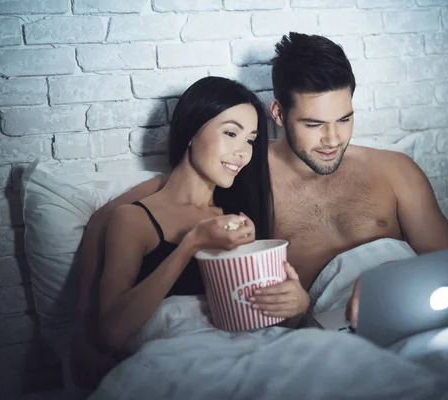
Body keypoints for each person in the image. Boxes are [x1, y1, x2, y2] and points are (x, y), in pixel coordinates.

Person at [71, 32, 448, 387]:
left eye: (345, 119)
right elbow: (113, 217)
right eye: (313, 124)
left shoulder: (395, 169)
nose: (332, 139)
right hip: (334, 330)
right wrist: (85, 334)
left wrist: (397, 276)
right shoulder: (242, 173)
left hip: (417, 304)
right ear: (278, 114)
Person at [70, 76, 310, 388]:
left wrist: (297, 306)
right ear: (191, 131)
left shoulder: (238, 220)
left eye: (250, 140)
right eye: (230, 133)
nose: (243, 152)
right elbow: (113, 332)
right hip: (173, 369)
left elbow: (256, 322)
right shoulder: (134, 219)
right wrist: (190, 244)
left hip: (244, 362)